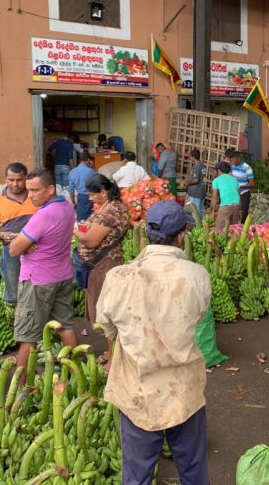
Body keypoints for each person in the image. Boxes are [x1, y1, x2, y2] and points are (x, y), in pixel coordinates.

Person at [97, 201, 211, 484]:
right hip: (183, 388)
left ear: (146, 233)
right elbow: (196, 320)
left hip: (138, 390)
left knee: (137, 474)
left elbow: (107, 325)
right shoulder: (197, 275)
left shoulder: (118, 277)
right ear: (181, 235)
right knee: (193, 468)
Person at [9, 168, 78, 381]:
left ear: (50, 189)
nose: (30, 195)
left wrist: (22, 242)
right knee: (65, 326)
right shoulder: (67, 207)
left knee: (28, 337)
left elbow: (13, 250)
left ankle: (19, 390)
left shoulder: (43, 215)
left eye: (35, 190)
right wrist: (27, 242)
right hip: (63, 276)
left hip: (38, 281)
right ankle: (77, 376)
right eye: (28, 190)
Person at [73, 175, 130, 343]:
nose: (90, 198)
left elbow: (91, 241)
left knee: (105, 312)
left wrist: (75, 230)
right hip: (101, 265)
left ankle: (113, 358)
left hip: (104, 265)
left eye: (92, 195)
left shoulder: (112, 210)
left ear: (103, 193)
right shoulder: (109, 206)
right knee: (103, 308)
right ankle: (111, 354)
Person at [0, 163, 37, 306]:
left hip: (38, 249)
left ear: (26, 178)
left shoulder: (36, 197)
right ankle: (16, 320)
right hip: (12, 251)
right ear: (5, 179)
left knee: (40, 288)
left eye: (19, 180)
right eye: (11, 180)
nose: (15, 184)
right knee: (13, 290)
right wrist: (1, 235)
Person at [211, 161, 240, 232]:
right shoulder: (234, 180)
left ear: (219, 171)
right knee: (233, 229)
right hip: (236, 204)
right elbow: (239, 195)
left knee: (218, 229)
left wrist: (213, 210)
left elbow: (215, 198)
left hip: (226, 204)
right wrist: (240, 210)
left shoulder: (216, 180)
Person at [68, 151, 97, 221]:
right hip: (92, 196)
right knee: (93, 218)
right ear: (88, 160)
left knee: (81, 219)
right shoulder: (91, 171)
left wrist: (73, 202)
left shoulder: (72, 172)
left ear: (79, 160)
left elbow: (71, 190)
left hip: (80, 197)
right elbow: (97, 184)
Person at [230, 150, 254, 221]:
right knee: (234, 212)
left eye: (234, 161)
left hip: (244, 194)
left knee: (243, 213)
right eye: (232, 161)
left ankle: (243, 228)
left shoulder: (247, 167)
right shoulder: (232, 166)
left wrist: (240, 187)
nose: (232, 163)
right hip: (234, 193)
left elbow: (252, 183)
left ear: (238, 158)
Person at [185, 149, 207, 219]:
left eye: (190, 157)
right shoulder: (202, 165)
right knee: (201, 209)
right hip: (200, 191)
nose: (190, 158)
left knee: (195, 210)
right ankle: (204, 225)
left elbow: (196, 180)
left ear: (193, 157)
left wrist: (187, 182)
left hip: (195, 192)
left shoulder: (197, 166)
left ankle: (198, 226)